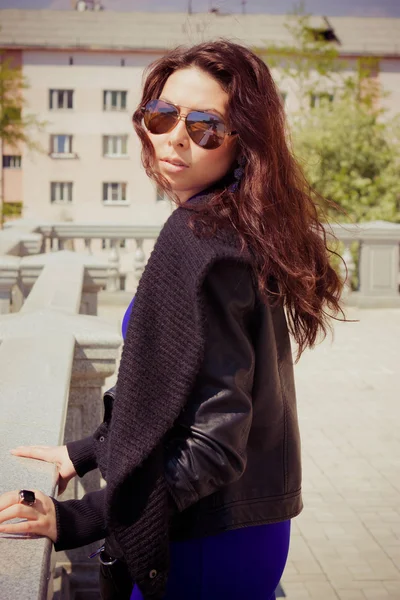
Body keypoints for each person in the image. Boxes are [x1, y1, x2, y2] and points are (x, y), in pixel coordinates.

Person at [0, 40, 344, 600]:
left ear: (245, 142)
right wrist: (88, 450)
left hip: (207, 542)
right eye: (162, 115)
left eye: (206, 126)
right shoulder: (238, 223)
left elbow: (213, 445)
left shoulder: (204, 240)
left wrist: (84, 518)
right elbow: (173, 388)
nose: (175, 137)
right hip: (243, 525)